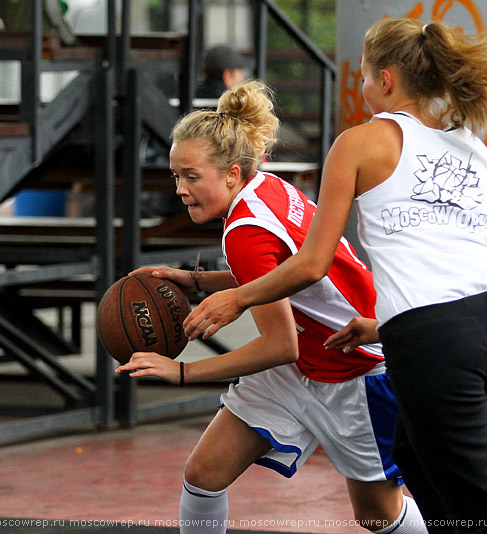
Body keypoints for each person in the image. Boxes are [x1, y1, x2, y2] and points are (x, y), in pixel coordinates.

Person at [182, 18, 487, 533]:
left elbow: (312, 263)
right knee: (421, 467)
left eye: (364, 76)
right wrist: (384, 325)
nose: (361, 86)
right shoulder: (473, 147)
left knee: (483, 508)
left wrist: (235, 301)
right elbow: (465, 257)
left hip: (437, 341)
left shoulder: (360, 143)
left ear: (388, 80)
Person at [116, 80, 426, 534]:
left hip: (355, 371)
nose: (180, 189)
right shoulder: (268, 188)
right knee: (204, 475)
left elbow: (279, 345)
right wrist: (196, 280)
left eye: (191, 176)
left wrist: (179, 372)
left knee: (378, 514)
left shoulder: (244, 232)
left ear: (231, 174)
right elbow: (275, 278)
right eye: (175, 175)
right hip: (308, 361)